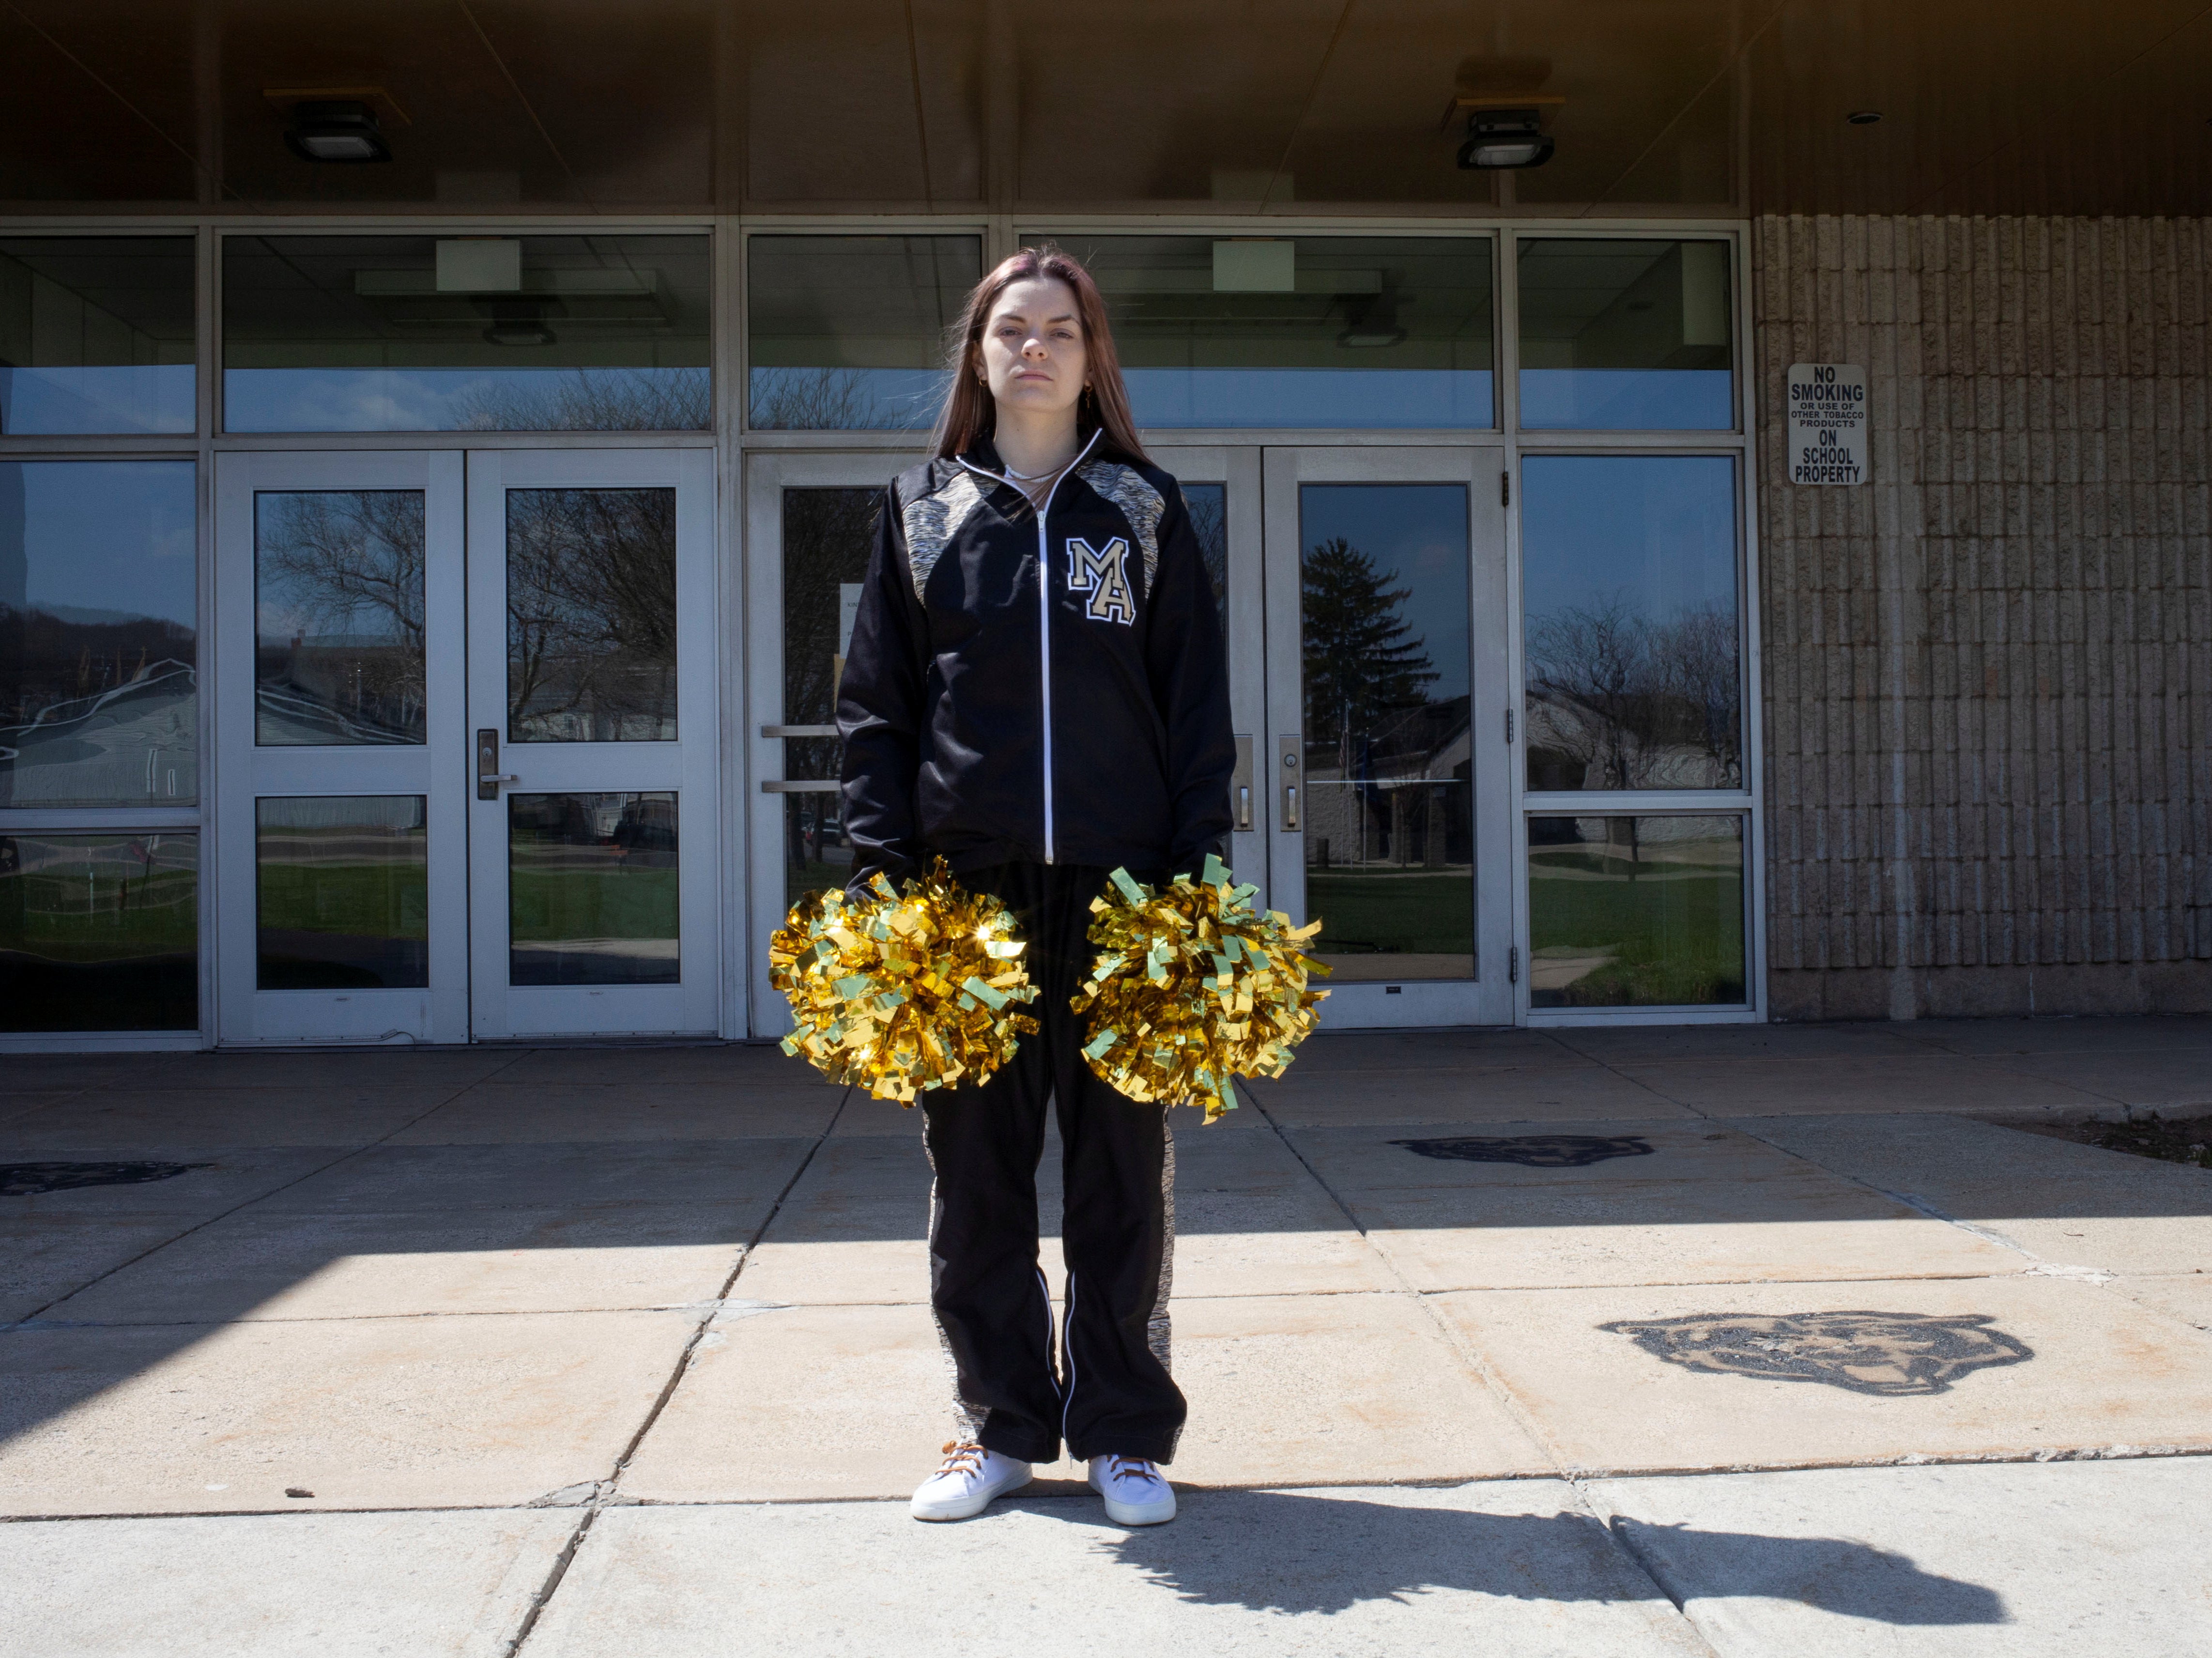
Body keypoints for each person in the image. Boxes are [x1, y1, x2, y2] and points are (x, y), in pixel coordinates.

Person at [837, 246, 1234, 1527]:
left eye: (1059, 328)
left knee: (1123, 1175)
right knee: (979, 1180)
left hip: (1123, 901)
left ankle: (1124, 1431)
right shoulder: (918, 513)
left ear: (1091, 354)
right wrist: (893, 889)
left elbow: (1196, 716)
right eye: (1013, 328)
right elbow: (873, 719)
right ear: (981, 352)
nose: (1035, 349)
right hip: (969, 903)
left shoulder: (1149, 511)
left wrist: (1191, 890)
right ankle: (999, 1427)